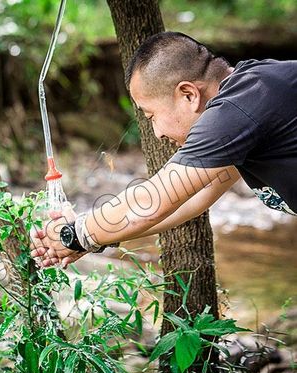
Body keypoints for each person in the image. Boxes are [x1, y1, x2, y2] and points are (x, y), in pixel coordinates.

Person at [30, 31, 297, 268]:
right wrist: (85, 238)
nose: (157, 133)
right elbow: (188, 200)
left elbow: (152, 201)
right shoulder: (248, 102)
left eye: (151, 115)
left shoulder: (237, 110)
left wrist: (76, 234)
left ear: (189, 95)